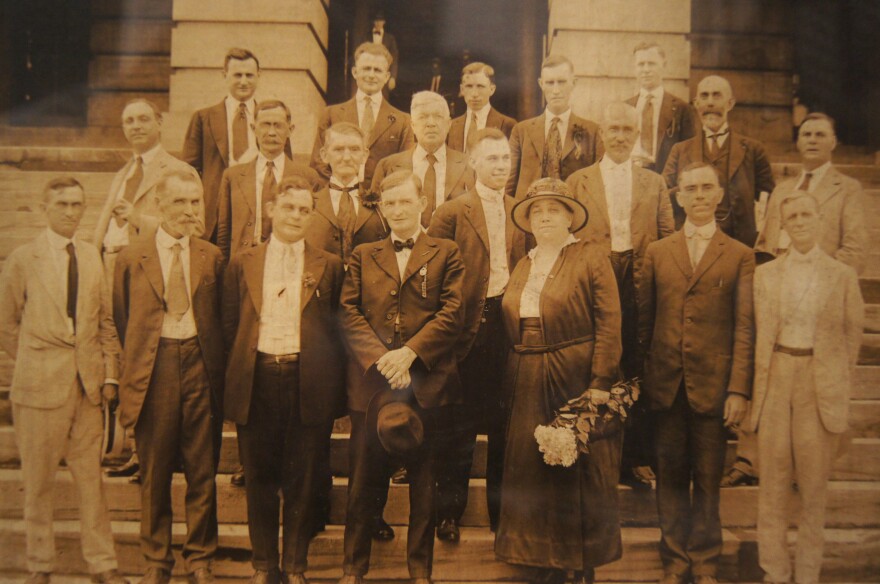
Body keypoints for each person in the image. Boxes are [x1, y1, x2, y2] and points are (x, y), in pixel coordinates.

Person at [726, 112, 868, 488]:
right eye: (806, 134)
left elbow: (854, 249)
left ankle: (803, 461)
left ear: (834, 142)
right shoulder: (785, 189)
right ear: (798, 140)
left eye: (821, 134)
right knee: (758, 367)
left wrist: (817, 280)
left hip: (818, 300)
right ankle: (750, 458)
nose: (812, 140)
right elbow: (765, 242)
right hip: (775, 295)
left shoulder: (847, 189)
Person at [337, 170, 465, 584]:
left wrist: (410, 353)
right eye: (388, 203)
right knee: (362, 481)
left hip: (427, 385)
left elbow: (452, 313)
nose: (396, 210)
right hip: (373, 386)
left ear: (423, 202)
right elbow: (349, 311)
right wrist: (382, 358)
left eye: (404, 201)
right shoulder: (363, 253)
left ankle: (419, 573)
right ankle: (353, 570)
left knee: (424, 486)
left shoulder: (446, 252)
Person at [0, 177, 128, 584]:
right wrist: (34, 364)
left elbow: (105, 322)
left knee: (92, 483)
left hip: (87, 389)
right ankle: (40, 565)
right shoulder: (24, 258)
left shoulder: (91, 256)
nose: (71, 212)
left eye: (77, 204)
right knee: (37, 483)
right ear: (44, 208)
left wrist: (109, 375)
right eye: (62, 205)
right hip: (38, 391)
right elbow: (6, 323)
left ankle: (102, 563)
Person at [495, 177, 622, 584]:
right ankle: (538, 562)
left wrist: (601, 380)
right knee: (530, 468)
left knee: (572, 470)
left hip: (573, 375)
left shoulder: (590, 257)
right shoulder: (524, 262)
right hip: (526, 374)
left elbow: (609, 322)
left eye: (554, 209)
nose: (545, 216)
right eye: (537, 211)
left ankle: (575, 563)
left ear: (570, 217)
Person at [222, 176, 346, 584]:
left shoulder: (327, 265)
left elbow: (335, 329)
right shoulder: (244, 261)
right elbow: (229, 325)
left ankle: (295, 565)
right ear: (271, 209)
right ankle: (264, 565)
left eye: (304, 210)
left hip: (305, 379)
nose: (296, 216)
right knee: (258, 477)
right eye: (288, 207)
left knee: (303, 478)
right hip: (257, 377)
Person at [638, 162, 754, 584]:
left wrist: (739, 389)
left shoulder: (739, 255)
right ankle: (674, 563)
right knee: (669, 480)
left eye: (708, 188)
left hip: (713, 388)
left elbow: (744, 328)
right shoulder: (658, 251)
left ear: (720, 194)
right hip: (666, 385)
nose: (700, 195)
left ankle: (705, 565)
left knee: (707, 482)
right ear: (678, 197)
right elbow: (645, 324)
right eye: (691, 188)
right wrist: (644, 380)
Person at [113, 170, 226, 584]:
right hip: (154, 366)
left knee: (202, 469)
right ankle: (156, 562)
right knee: (155, 471)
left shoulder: (210, 255)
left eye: (195, 202)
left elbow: (220, 319)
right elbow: (123, 317)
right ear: (159, 204)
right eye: (179, 202)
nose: (189, 211)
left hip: (200, 364)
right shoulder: (132, 256)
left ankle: (200, 559)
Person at [749, 193, 864, 584]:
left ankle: (808, 574)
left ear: (819, 219)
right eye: (791, 216)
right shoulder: (765, 275)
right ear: (782, 224)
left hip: (819, 381)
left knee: (814, 488)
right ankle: (775, 571)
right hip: (777, 376)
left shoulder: (841, 275)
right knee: (773, 484)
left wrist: (834, 381)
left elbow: (852, 336)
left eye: (805, 214)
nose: (798, 221)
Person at [565, 102, 674, 490]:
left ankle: (633, 458)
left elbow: (666, 239)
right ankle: (588, 448)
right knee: (594, 357)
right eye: (614, 128)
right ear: (602, 134)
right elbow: (569, 237)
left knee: (634, 361)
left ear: (637, 136)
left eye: (628, 130)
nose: (621, 136)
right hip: (596, 273)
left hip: (639, 276)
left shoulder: (654, 183)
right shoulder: (579, 181)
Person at [428, 128, 526, 539]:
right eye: (492, 159)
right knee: (459, 425)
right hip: (468, 326)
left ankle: (502, 517)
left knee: (506, 424)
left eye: (505, 159)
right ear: (473, 163)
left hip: (508, 326)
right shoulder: (452, 211)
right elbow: (433, 276)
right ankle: (448, 513)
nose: (501, 166)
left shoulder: (521, 210)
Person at [95, 98, 199, 483]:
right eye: (128, 121)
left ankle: (149, 454)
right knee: (125, 351)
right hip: (115, 266)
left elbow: (193, 225)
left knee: (150, 357)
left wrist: (137, 218)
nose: (135, 126)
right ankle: (130, 446)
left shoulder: (177, 170)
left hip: (154, 270)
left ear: (159, 123)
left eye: (142, 119)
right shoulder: (125, 172)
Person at [181, 48, 293, 243]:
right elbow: (188, 172)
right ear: (224, 75)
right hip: (213, 216)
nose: (243, 81)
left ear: (259, 76)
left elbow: (286, 167)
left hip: (259, 213)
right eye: (237, 75)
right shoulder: (203, 118)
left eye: (249, 75)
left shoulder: (273, 119)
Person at [662, 75, 775, 247]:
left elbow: (768, 202)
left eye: (717, 95)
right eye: (704, 96)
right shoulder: (680, 150)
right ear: (696, 103)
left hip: (739, 244)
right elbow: (664, 197)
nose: (710, 103)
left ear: (730, 104)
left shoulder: (753, 150)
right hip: (692, 242)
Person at [216, 100, 321, 260]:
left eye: (278, 125)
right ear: (253, 129)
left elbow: (313, 229)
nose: (271, 132)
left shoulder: (308, 177)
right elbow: (224, 231)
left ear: (290, 130)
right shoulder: (233, 176)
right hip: (244, 261)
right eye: (265, 125)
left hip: (289, 260)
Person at [311, 42, 413, 186]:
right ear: (354, 72)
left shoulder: (402, 121)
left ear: (386, 76)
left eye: (377, 70)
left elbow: (404, 168)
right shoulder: (331, 114)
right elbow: (318, 163)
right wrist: (341, 190)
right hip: (338, 198)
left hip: (382, 201)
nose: (371, 75)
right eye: (366, 69)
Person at [371, 91, 475, 228]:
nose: (430, 123)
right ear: (412, 125)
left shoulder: (469, 165)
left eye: (438, 116)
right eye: (423, 117)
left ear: (449, 124)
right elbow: (377, 220)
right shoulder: (388, 166)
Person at [506, 55, 602, 202]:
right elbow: (509, 184)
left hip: (574, 215)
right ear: (541, 84)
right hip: (529, 214)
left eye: (562, 82)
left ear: (573, 83)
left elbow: (598, 184)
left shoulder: (592, 131)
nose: (556, 90)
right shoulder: (521, 131)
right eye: (550, 83)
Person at [306, 122, 389, 266]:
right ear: (324, 155)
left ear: (364, 155)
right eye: (338, 149)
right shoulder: (310, 204)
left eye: (354, 149)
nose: (346, 157)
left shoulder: (380, 206)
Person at [625, 42, 698, 174]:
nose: (646, 69)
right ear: (634, 68)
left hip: (666, 180)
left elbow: (689, 154)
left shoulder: (681, 109)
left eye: (651, 63)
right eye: (641, 64)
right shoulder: (626, 107)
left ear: (663, 66)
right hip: (631, 177)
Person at [447, 62, 517, 152]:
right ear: (462, 90)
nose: (474, 94)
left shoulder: (507, 125)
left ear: (492, 89)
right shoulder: (451, 126)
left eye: (480, 86)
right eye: (469, 86)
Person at [352, 12, 399, 96]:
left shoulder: (390, 39)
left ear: (384, 22)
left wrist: (393, 77)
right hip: (368, 72)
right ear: (373, 22)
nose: (378, 23)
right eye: (376, 21)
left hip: (383, 73)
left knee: (383, 98)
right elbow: (359, 55)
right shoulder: (366, 37)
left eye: (380, 21)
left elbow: (394, 59)